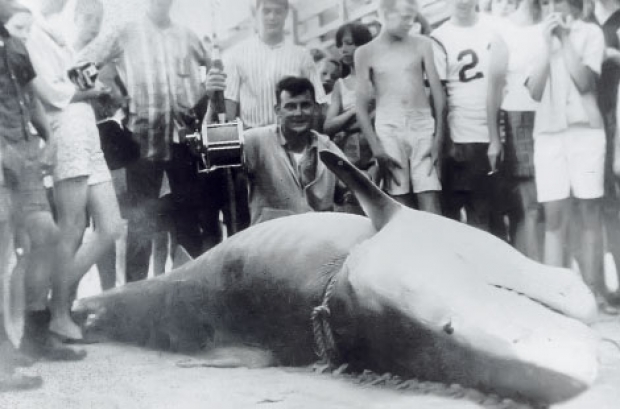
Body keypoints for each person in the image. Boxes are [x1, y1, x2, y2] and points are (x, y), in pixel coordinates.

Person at [93, 0, 228, 282]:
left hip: (183, 145)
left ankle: (188, 289)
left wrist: (205, 89)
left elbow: (213, 69)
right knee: (141, 224)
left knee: (188, 222)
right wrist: (113, 97)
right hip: (141, 145)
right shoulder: (125, 33)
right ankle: (135, 299)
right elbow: (86, 64)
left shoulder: (189, 36)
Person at [1, 0, 85, 389]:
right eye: (18, 29)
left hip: (25, 155)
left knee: (48, 237)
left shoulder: (17, 49)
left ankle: (34, 333)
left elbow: (29, 95)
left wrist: (48, 136)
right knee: (2, 255)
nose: (23, 36)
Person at [26, 0, 122, 341]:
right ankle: (58, 314)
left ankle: (57, 301)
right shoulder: (33, 31)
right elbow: (49, 92)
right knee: (73, 225)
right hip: (66, 128)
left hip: (86, 128)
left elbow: (71, 79)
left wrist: (95, 86)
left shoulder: (61, 33)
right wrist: (90, 90)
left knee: (110, 226)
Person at [526, 0, 610, 313]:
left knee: (589, 211)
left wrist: (565, 39)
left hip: (586, 133)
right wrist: (548, 47)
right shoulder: (536, 35)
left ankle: (592, 291)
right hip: (548, 136)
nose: (555, 5)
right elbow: (533, 91)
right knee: (554, 216)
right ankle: (556, 297)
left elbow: (585, 81)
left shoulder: (590, 33)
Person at [355, 0, 445, 214]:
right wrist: (376, 148)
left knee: (429, 192)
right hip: (388, 126)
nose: (409, 23)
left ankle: (434, 246)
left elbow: (438, 93)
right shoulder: (365, 52)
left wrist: (439, 138)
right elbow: (360, 106)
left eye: (412, 17)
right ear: (385, 14)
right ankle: (405, 246)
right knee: (398, 196)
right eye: (404, 17)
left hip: (422, 123)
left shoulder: (422, 44)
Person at [432, 0, 507, 231]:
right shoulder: (439, 37)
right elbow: (439, 98)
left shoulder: (498, 27)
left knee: (504, 215)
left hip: (505, 129)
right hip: (465, 136)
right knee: (477, 217)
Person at [237, 77, 344, 225]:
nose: (298, 113)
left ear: (315, 108)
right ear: (278, 111)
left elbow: (352, 188)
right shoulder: (256, 140)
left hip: (317, 239)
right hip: (273, 240)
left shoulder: (327, 147)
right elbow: (216, 149)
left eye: (305, 105)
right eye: (291, 106)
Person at [497, 0, 544, 260]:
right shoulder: (504, 28)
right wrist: (495, 138)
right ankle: (531, 269)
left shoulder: (554, 21)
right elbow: (494, 88)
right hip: (519, 118)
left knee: (552, 205)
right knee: (529, 205)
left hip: (555, 118)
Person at [588, 0, 620, 306]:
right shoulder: (581, 19)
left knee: (613, 206)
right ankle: (595, 284)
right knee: (589, 206)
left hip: (615, 121)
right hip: (582, 123)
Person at [324, 23, 374, 174]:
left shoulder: (377, 79)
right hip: (349, 151)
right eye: (340, 45)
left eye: (349, 43)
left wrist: (347, 124)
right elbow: (328, 126)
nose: (343, 50)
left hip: (376, 147)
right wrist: (354, 111)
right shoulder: (340, 85)